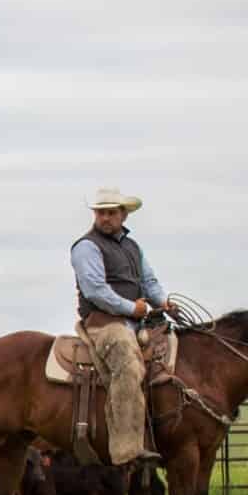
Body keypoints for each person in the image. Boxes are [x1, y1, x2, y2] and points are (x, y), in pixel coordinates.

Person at [71, 186, 167, 466]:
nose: (106, 218)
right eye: (101, 212)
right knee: (128, 364)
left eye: (112, 212)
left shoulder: (132, 247)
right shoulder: (86, 246)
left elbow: (148, 281)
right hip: (105, 324)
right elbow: (96, 290)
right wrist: (132, 308)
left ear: (124, 215)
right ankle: (126, 450)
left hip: (134, 323)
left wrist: (163, 301)